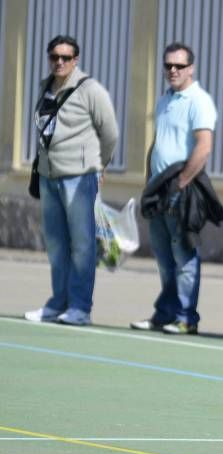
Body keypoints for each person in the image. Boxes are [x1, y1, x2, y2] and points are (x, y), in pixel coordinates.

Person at [25, 35, 119, 326]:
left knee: (82, 244)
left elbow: (110, 133)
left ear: (75, 60)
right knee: (55, 243)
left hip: (79, 177)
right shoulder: (45, 87)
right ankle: (58, 302)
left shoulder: (90, 89)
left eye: (65, 58)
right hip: (49, 176)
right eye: (54, 57)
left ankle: (80, 307)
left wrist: (99, 165)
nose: (59, 62)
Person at [130, 42, 217, 335]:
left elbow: (204, 147)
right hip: (158, 190)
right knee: (164, 258)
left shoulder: (199, 100)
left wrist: (181, 184)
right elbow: (157, 143)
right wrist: (148, 183)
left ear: (191, 68)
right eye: (168, 65)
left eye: (179, 66)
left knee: (184, 257)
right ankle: (165, 313)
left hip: (181, 190)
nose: (173, 71)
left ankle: (185, 317)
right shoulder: (165, 99)